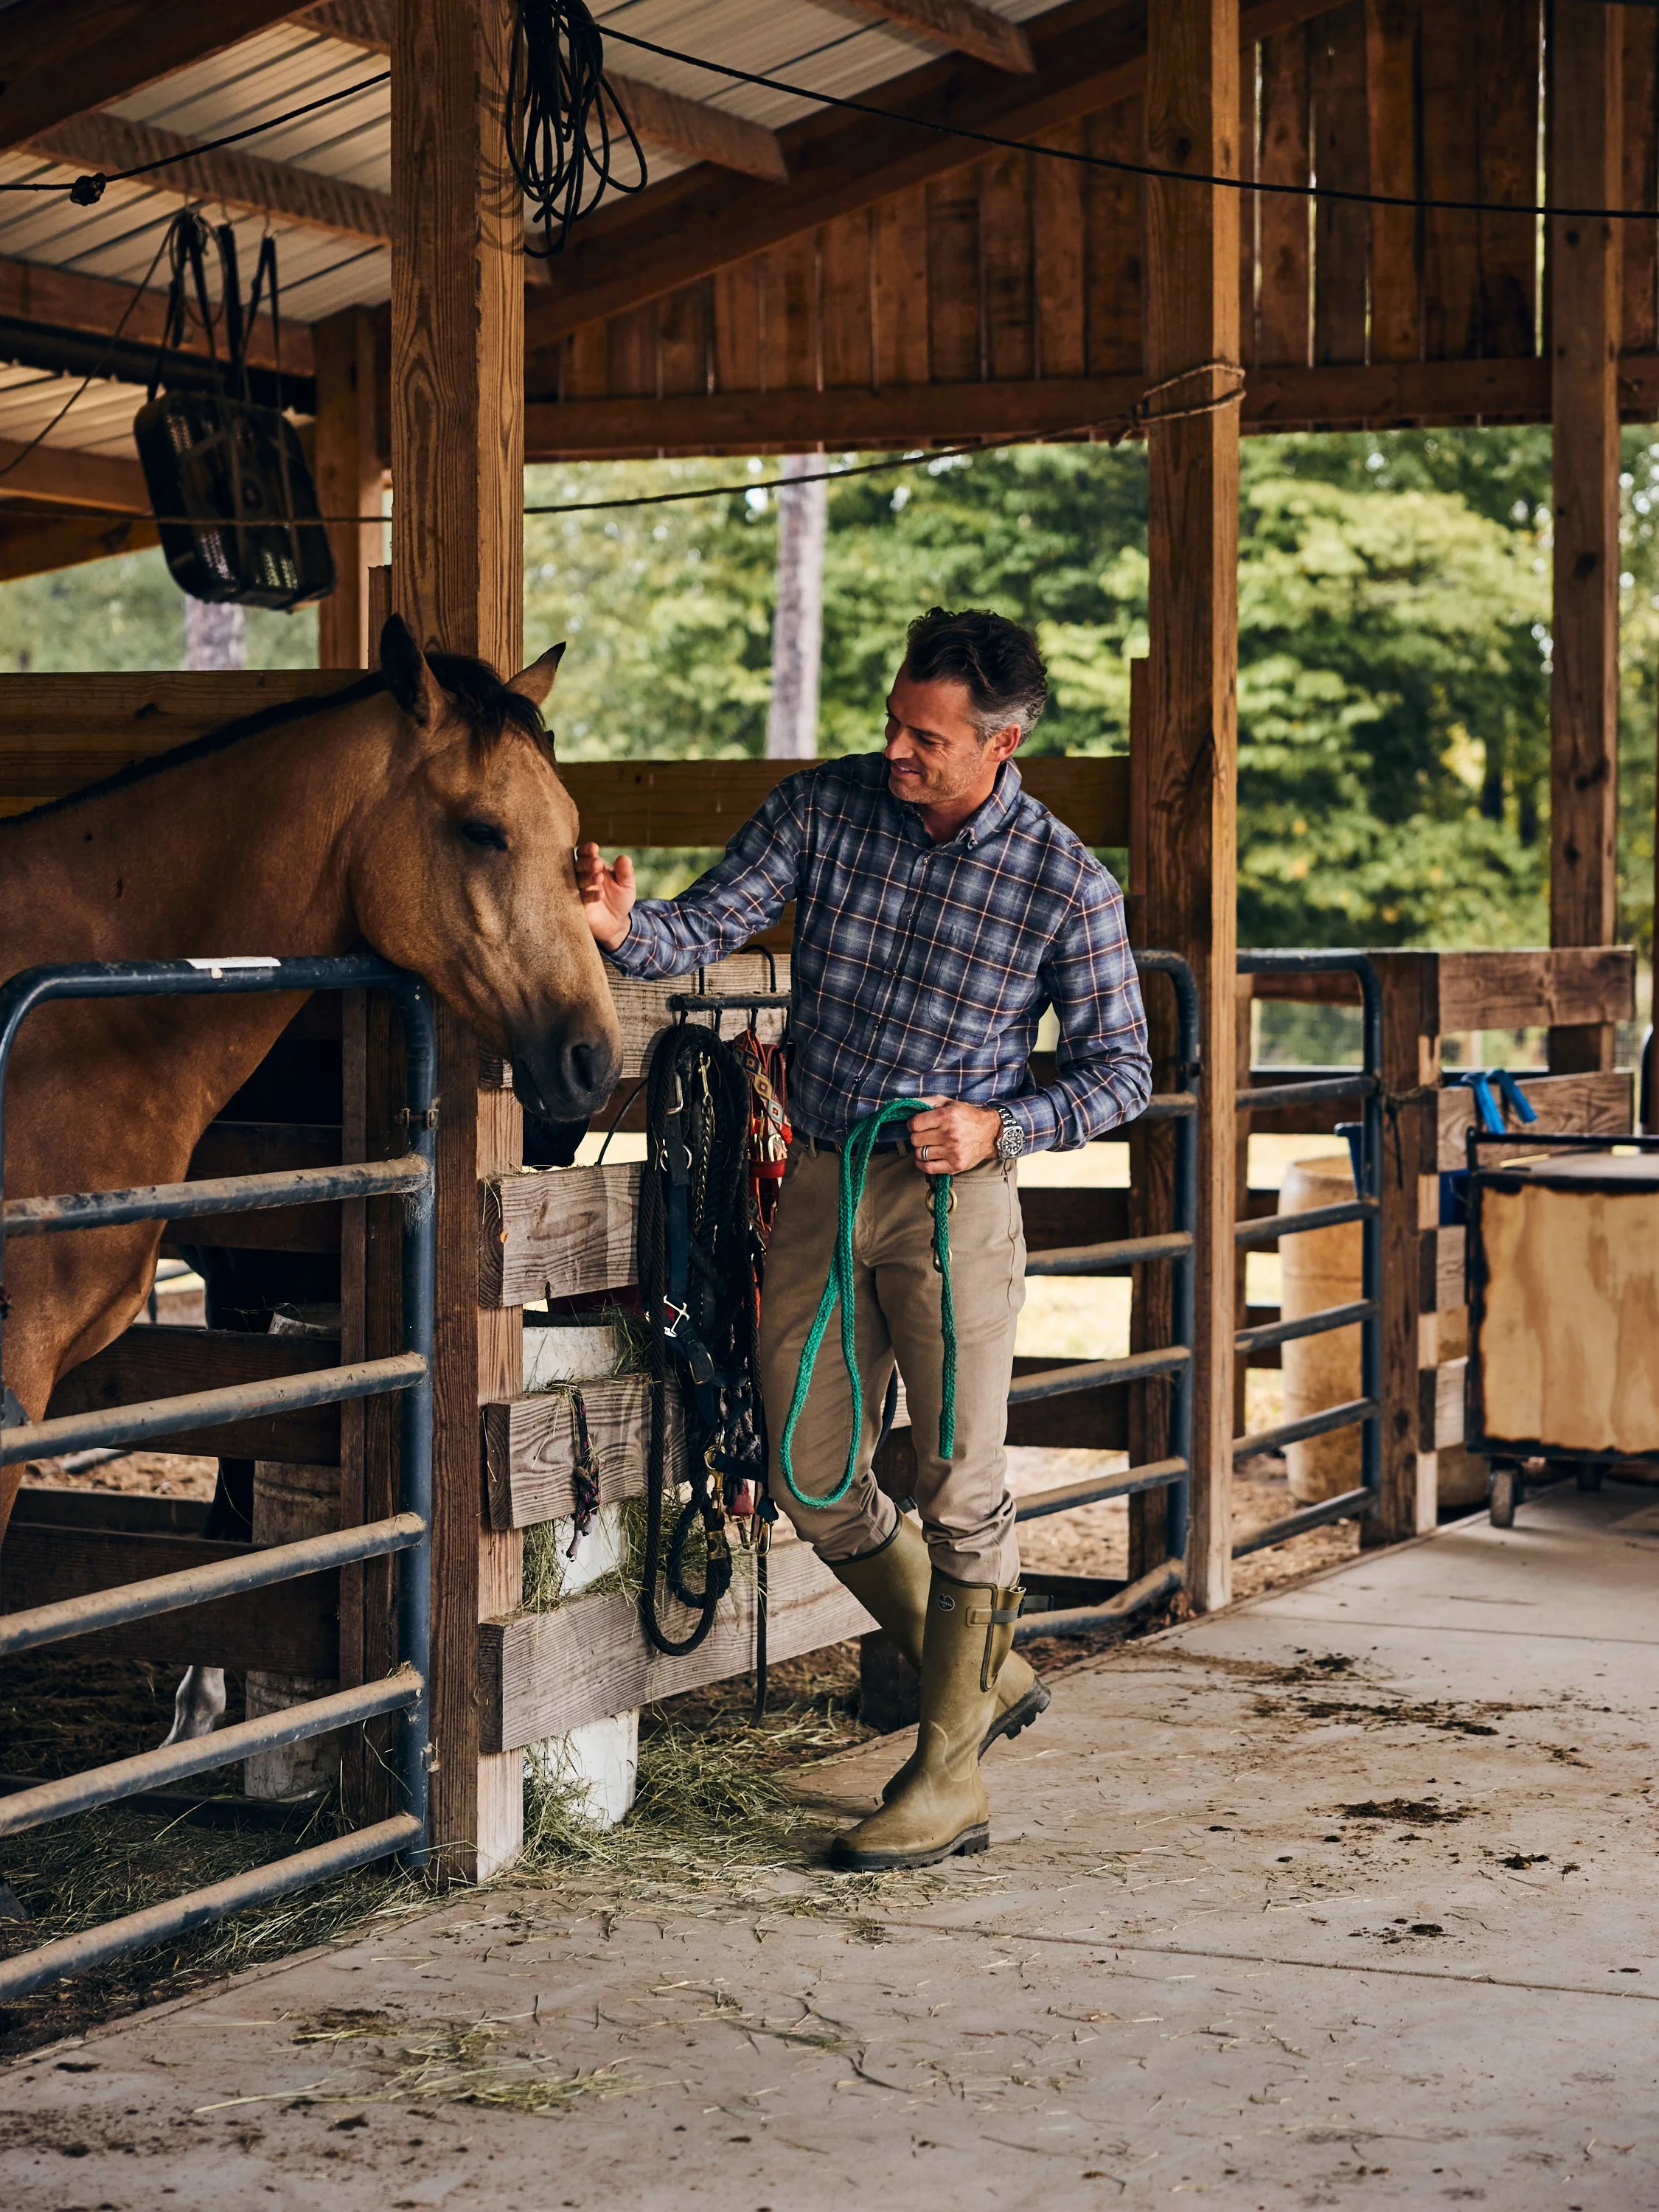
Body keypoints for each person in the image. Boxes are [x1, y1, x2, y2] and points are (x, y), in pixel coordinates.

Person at [578, 606, 1151, 1871]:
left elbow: (1123, 1072)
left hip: (954, 1203)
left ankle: (949, 1774)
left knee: (956, 1485)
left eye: (926, 737)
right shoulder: (826, 807)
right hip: (824, 1183)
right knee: (810, 1469)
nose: (896, 748)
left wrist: (1003, 1124)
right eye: (893, 721)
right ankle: (981, 1670)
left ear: (1001, 744)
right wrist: (626, 924)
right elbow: (709, 923)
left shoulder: (1065, 882)